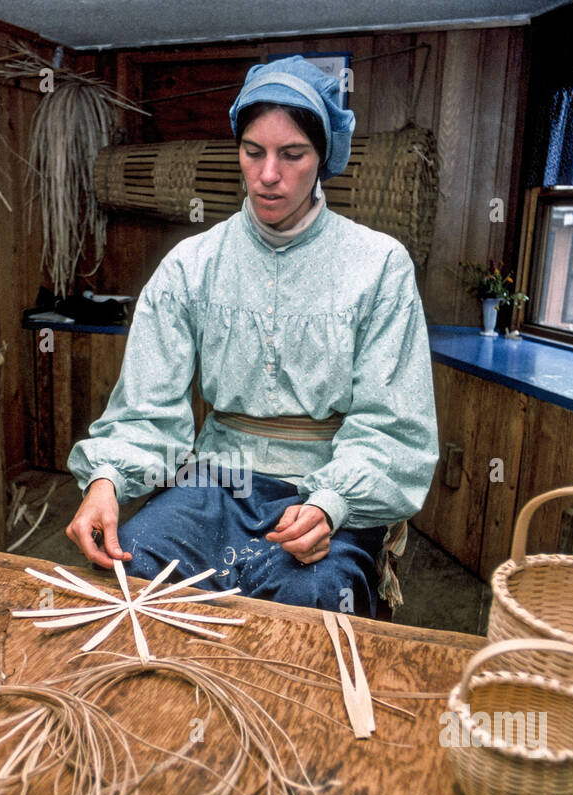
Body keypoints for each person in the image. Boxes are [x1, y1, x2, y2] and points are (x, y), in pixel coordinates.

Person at [66, 56, 438, 617]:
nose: (269, 174)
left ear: (325, 158)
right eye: (253, 151)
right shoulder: (190, 265)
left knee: (310, 601)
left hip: (326, 488)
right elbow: (147, 409)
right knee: (131, 570)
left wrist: (334, 503)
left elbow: (396, 429)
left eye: (293, 155)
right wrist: (107, 479)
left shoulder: (379, 266)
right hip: (216, 478)